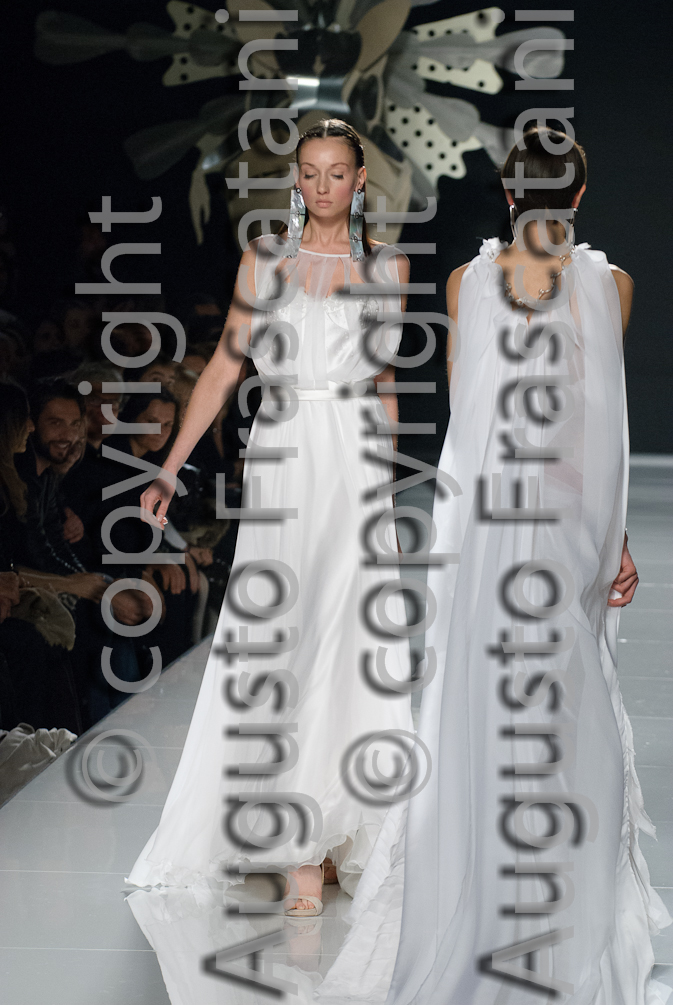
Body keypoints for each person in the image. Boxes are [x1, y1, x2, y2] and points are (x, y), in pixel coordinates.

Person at [317, 127, 672, 1003]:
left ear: (507, 194)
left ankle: (479, 904)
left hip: (481, 529)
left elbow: (465, 418)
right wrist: (613, 542)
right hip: (561, 527)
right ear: (579, 195)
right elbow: (595, 425)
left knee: (478, 707)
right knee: (565, 710)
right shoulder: (610, 285)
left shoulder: (464, 282)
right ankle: (562, 920)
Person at [127, 118, 414, 918]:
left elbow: (385, 381)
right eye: (309, 172)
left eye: (336, 173)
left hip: (355, 457)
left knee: (347, 637)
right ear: (295, 179)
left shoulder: (387, 267)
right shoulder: (263, 260)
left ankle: (329, 836)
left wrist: (390, 486)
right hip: (285, 451)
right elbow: (225, 365)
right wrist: (170, 464)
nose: (321, 186)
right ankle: (293, 838)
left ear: (359, 181)